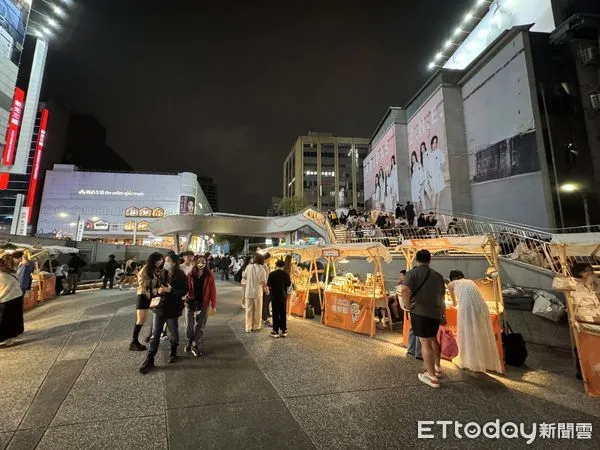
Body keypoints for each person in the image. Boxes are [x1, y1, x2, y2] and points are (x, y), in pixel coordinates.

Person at [400, 249, 446, 388]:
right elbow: (442, 297)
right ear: (429, 260)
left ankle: (432, 377)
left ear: (416, 260)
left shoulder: (412, 273)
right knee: (433, 339)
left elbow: (404, 290)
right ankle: (437, 367)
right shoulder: (438, 275)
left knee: (424, 342)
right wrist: (443, 314)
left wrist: (408, 305)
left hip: (419, 311)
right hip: (435, 312)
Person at [140, 254, 188, 373]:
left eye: (168, 261)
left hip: (172, 309)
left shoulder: (181, 275)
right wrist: (159, 290)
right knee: (155, 335)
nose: (166, 263)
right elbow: (152, 288)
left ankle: (173, 352)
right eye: (165, 261)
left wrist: (171, 290)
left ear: (175, 263)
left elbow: (184, 291)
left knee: (173, 333)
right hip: (159, 308)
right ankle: (149, 359)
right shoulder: (161, 273)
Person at [447, 270, 502, 373]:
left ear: (452, 278)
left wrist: (454, 304)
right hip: (481, 308)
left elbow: (454, 301)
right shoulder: (470, 281)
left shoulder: (451, 284)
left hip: (467, 309)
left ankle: (468, 361)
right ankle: (485, 361)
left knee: (467, 334)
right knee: (481, 334)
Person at [130, 252, 164, 351]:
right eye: (159, 259)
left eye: (161, 259)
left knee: (157, 315)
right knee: (141, 320)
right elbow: (143, 283)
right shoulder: (146, 269)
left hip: (152, 296)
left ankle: (150, 336)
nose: (161, 261)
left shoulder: (155, 269)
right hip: (143, 296)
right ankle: (134, 342)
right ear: (153, 260)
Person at [185, 256, 216, 357]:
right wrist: (185, 299)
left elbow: (212, 290)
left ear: (206, 263)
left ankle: (196, 345)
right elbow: (186, 288)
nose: (201, 263)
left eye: (203, 262)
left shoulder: (209, 275)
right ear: (195, 262)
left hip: (204, 304)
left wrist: (213, 305)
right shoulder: (190, 274)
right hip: (190, 303)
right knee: (189, 326)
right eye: (198, 261)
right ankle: (189, 341)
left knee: (200, 326)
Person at [0, 254, 24, 347]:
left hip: (7, 299)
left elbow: (5, 287)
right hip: (16, 297)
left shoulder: (1, 274)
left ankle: (6, 339)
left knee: (4, 320)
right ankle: (10, 338)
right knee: (13, 319)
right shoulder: (9, 271)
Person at [242, 253, 268, 332]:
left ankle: (248, 327)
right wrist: (266, 290)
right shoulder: (262, 269)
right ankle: (256, 326)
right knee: (257, 310)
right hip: (257, 292)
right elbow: (263, 282)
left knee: (249, 310)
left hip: (248, 291)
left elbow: (244, 276)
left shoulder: (249, 267)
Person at [267, 260, 292, 338]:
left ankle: (275, 331)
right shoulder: (286, 274)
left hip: (274, 296)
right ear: (283, 266)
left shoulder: (271, 274)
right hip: (283, 296)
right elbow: (288, 284)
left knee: (275, 313)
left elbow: (268, 284)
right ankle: (284, 330)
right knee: (283, 313)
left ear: (276, 265)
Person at [262, 252, 272, 326]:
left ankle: (266, 315)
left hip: (264, 286)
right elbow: (265, 278)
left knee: (266, 302)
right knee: (265, 302)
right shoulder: (264, 266)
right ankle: (265, 318)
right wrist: (267, 288)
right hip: (265, 286)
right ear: (267, 258)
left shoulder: (263, 265)